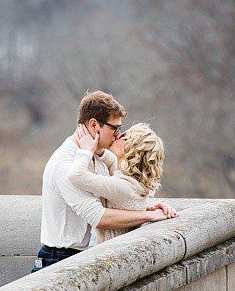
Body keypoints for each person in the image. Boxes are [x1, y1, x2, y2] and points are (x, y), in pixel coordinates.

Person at [34, 90, 177, 273]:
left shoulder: (100, 155)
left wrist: (149, 206)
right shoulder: (65, 164)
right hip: (59, 259)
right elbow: (99, 217)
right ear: (94, 125)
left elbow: (123, 192)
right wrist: (149, 215)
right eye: (114, 128)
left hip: (86, 255)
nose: (118, 135)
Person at [67, 122, 166, 242]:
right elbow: (112, 163)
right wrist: (99, 149)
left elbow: (76, 175)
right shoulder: (134, 183)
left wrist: (86, 151)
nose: (117, 135)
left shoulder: (123, 186)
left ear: (131, 149)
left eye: (124, 136)